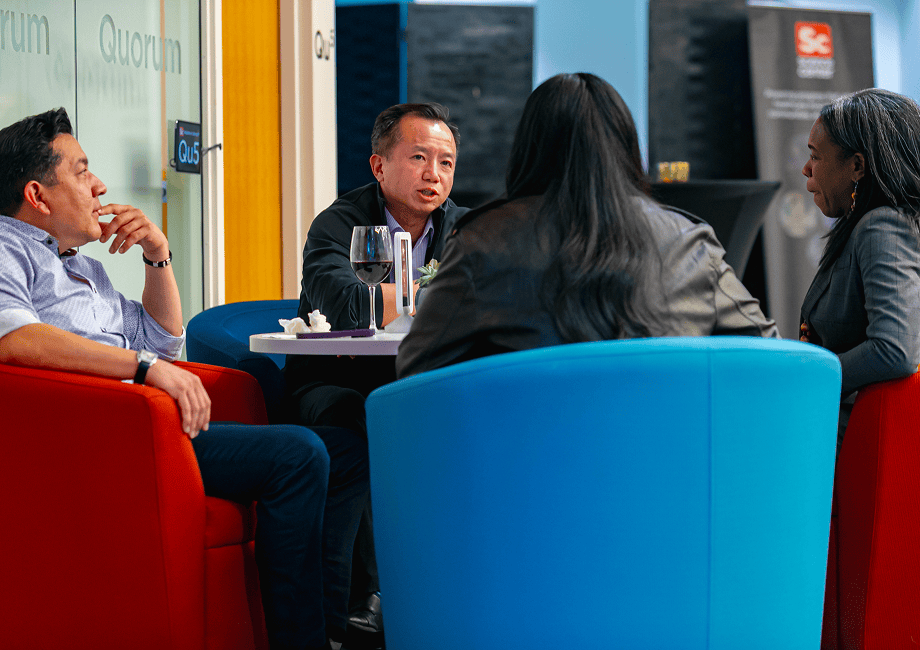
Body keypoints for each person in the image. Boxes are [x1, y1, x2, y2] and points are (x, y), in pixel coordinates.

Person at [0, 108, 368, 650]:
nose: (100, 185)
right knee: (299, 454)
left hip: (147, 423)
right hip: (106, 436)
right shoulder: (7, 248)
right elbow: (13, 338)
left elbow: (161, 340)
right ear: (37, 194)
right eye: (82, 172)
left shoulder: (79, 265)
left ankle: (334, 629)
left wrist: (158, 253)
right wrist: (144, 369)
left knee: (347, 450)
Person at [396, 73, 777, 378]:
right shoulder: (691, 244)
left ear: (529, 148)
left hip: (526, 467)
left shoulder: (484, 242)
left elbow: (416, 368)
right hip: (666, 466)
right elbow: (769, 352)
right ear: (627, 147)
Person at [284, 102, 469, 635]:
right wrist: (437, 294)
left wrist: (398, 297)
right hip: (334, 382)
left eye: (446, 162)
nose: (434, 175)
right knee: (368, 419)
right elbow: (344, 302)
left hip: (421, 381)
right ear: (379, 166)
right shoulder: (339, 223)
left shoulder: (466, 228)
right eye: (418, 157)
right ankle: (360, 602)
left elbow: (497, 302)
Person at [799, 89, 920, 440]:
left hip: (857, 444)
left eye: (816, 156)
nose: (806, 169)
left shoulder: (882, 226)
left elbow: (894, 350)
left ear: (856, 166)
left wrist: (808, 376)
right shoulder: (883, 224)